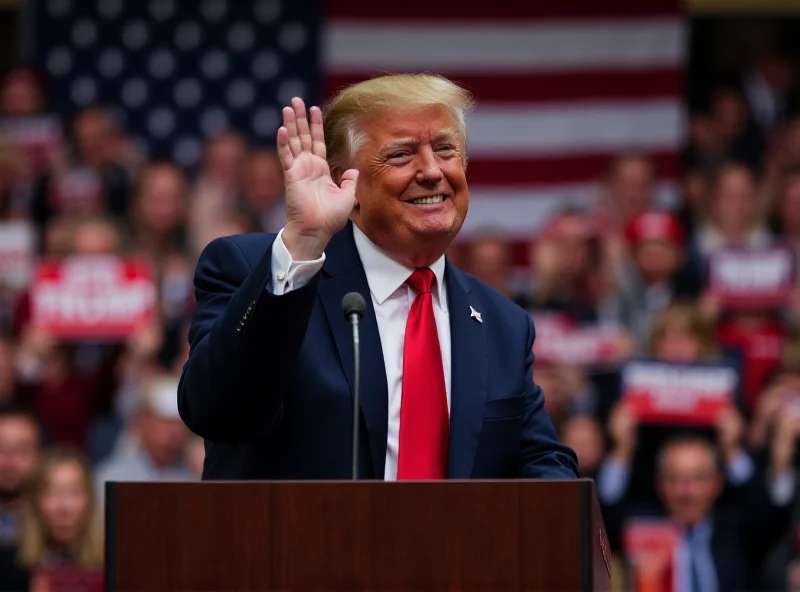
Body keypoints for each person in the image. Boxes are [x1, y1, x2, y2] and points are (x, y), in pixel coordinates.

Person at [178, 73, 578, 480]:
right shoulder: (256, 269)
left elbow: (544, 467)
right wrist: (304, 242)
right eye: (401, 155)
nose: (432, 171)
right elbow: (219, 412)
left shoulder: (503, 325)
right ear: (342, 182)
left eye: (445, 149)